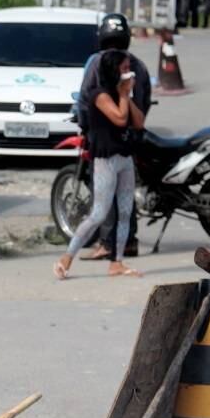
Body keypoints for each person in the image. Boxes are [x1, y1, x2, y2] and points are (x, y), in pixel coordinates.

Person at [55, 50, 143, 280]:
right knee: (99, 213)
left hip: (124, 157)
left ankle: (117, 262)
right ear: (113, 70)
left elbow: (138, 122)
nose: (127, 72)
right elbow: (119, 119)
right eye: (123, 68)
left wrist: (128, 95)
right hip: (106, 159)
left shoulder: (121, 93)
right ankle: (67, 257)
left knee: (125, 211)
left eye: (128, 68)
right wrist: (123, 95)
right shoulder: (100, 95)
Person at [77, 13, 151, 261]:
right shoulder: (137, 64)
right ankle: (128, 241)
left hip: (105, 141)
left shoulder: (95, 62)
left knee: (104, 193)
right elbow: (145, 101)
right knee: (125, 193)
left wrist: (86, 127)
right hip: (132, 139)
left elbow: (84, 100)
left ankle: (107, 243)